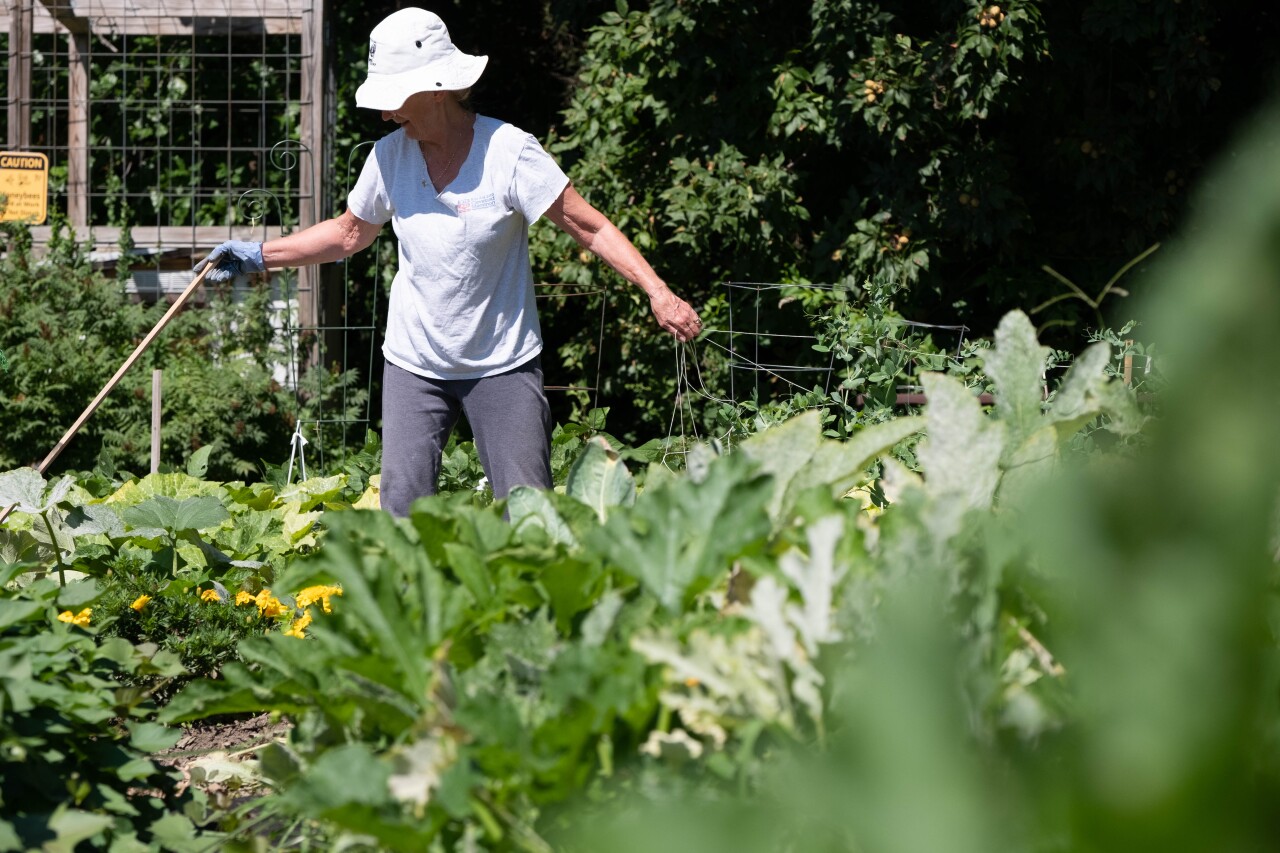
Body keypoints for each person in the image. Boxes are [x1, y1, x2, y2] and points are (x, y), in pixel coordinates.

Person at [196, 7, 701, 516]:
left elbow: (588, 226)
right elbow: (350, 233)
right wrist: (257, 255)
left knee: (530, 513)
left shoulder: (508, 152)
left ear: (436, 88)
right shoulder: (389, 157)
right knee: (402, 511)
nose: (386, 114)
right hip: (415, 361)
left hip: (502, 359)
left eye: (395, 99)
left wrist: (658, 291)